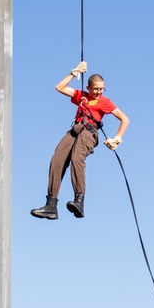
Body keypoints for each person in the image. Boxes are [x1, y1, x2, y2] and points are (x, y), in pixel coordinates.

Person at [31, 62, 129, 220]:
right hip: (75, 130)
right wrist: (74, 72)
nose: (99, 91)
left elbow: (124, 119)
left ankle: (79, 201)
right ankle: (51, 205)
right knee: (56, 161)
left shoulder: (105, 102)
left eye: (101, 88)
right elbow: (60, 87)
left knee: (77, 158)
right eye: (96, 88)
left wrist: (117, 139)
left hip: (89, 132)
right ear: (89, 88)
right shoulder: (82, 96)